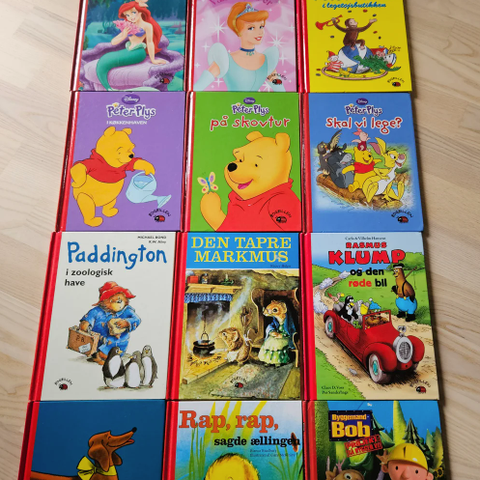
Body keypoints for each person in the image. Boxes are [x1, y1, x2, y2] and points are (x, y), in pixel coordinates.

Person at [194, 2, 285, 92]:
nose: (259, 32)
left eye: (261, 26)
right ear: (238, 30)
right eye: (251, 28)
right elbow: (196, 89)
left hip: (259, 102)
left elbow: (282, 94)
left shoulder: (267, 61)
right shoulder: (225, 60)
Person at [96, 1, 167, 91]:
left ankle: (109, 88)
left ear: (140, 11)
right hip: (129, 50)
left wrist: (153, 60)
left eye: (133, 12)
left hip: (138, 52)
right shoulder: (129, 25)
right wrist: (124, 35)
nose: (131, 17)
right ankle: (108, 87)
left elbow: (150, 42)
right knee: (105, 58)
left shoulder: (147, 26)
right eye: (127, 15)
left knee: (107, 60)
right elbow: (113, 42)